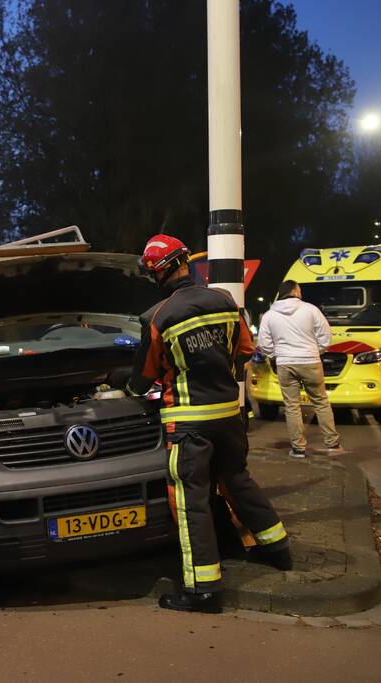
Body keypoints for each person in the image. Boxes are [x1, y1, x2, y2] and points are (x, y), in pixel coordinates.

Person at [130, 234, 291, 614]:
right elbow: (246, 350)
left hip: (189, 424)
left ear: (158, 273)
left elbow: (143, 378)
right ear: (185, 262)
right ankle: (278, 550)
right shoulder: (225, 301)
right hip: (229, 416)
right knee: (238, 480)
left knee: (191, 501)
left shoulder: (158, 317)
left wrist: (126, 386)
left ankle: (203, 590)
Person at [256, 280, 343, 458]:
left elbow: (264, 343)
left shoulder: (269, 315)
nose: (301, 293)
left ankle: (298, 448)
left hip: (285, 363)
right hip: (310, 361)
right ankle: (332, 443)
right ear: (294, 291)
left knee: (292, 406)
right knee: (321, 402)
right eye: (300, 290)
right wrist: (315, 351)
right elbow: (325, 336)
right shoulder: (311, 310)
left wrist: (277, 354)